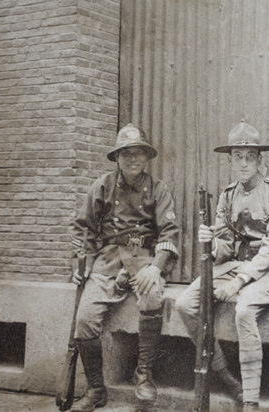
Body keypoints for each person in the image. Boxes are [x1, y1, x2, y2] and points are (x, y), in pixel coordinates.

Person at [174, 122, 269, 411]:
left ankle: (250, 401)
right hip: (233, 266)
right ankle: (228, 379)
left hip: (266, 268)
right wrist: (212, 244)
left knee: (243, 311)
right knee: (184, 304)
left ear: (259, 160)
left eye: (249, 156)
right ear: (230, 160)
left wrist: (239, 282)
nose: (243, 163)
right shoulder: (227, 196)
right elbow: (225, 246)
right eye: (238, 156)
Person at [69, 124, 180, 412]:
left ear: (146, 157)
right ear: (117, 157)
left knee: (153, 295)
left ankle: (144, 374)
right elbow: (83, 228)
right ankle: (96, 390)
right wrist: (83, 263)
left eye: (139, 154)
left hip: (143, 260)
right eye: (127, 154)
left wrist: (156, 267)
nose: (133, 159)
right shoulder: (102, 186)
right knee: (84, 319)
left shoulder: (158, 189)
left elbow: (170, 232)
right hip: (107, 262)